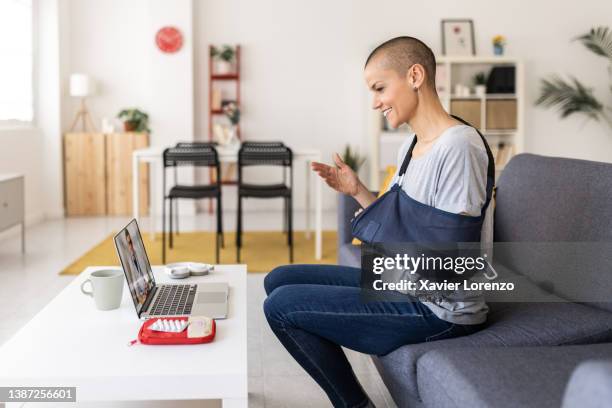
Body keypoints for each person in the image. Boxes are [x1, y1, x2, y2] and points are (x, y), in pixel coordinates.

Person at [263, 36, 492, 408]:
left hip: (441, 307)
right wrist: (357, 191)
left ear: (415, 75)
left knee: (281, 306)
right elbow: (399, 223)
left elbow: (450, 260)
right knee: (278, 279)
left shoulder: (459, 147)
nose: (375, 102)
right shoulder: (411, 147)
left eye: (380, 88)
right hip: (404, 281)